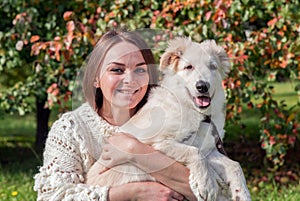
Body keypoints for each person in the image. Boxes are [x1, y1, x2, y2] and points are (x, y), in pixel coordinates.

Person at [34, 29, 198, 201]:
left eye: (140, 70)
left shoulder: (173, 117)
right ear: (96, 77)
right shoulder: (72, 130)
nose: (130, 79)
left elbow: (215, 190)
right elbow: (52, 196)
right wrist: (135, 192)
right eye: (117, 70)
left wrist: (133, 150)